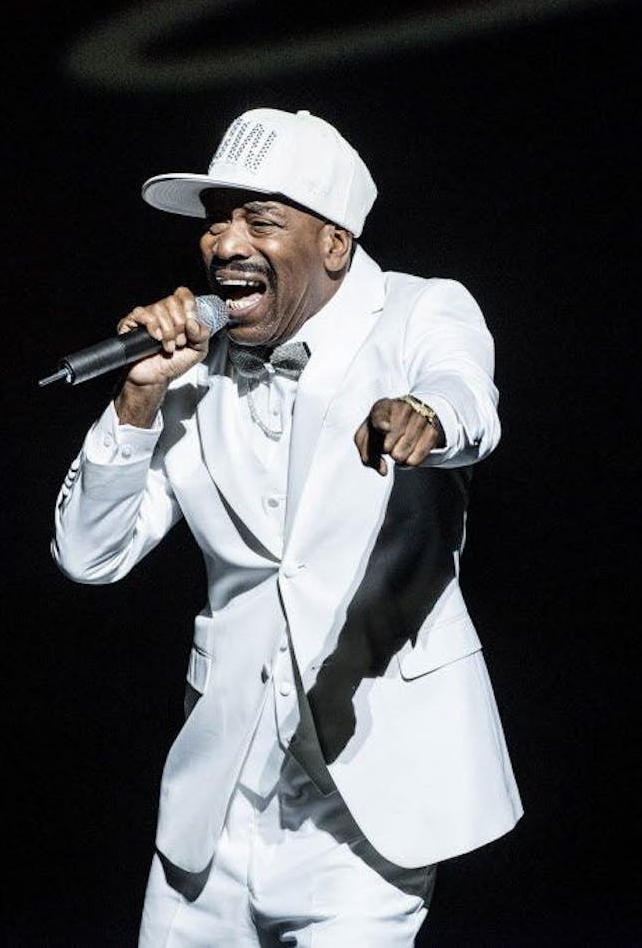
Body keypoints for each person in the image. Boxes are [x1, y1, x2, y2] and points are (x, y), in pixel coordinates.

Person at [51, 107, 521, 946]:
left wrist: (427, 418)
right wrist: (138, 398)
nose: (224, 242)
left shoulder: (418, 313)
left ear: (334, 243)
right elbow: (90, 556)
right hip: (217, 812)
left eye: (259, 219)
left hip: (368, 808)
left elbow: (469, 399)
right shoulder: (193, 372)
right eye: (217, 219)